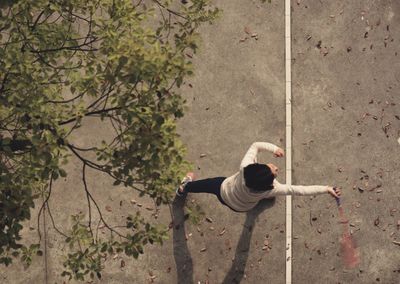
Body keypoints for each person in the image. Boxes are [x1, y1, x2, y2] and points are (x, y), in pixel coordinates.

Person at [176, 142, 341, 212]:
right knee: (268, 196)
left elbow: (255, 145)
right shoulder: (273, 189)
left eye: (271, 168)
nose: (275, 166)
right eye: (274, 170)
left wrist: (273, 148)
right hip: (240, 207)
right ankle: (264, 199)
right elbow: (301, 190)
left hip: (224, 191)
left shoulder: (245, 167)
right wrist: (326, 189)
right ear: (269, 184)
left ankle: (184, 188)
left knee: (205, 185)